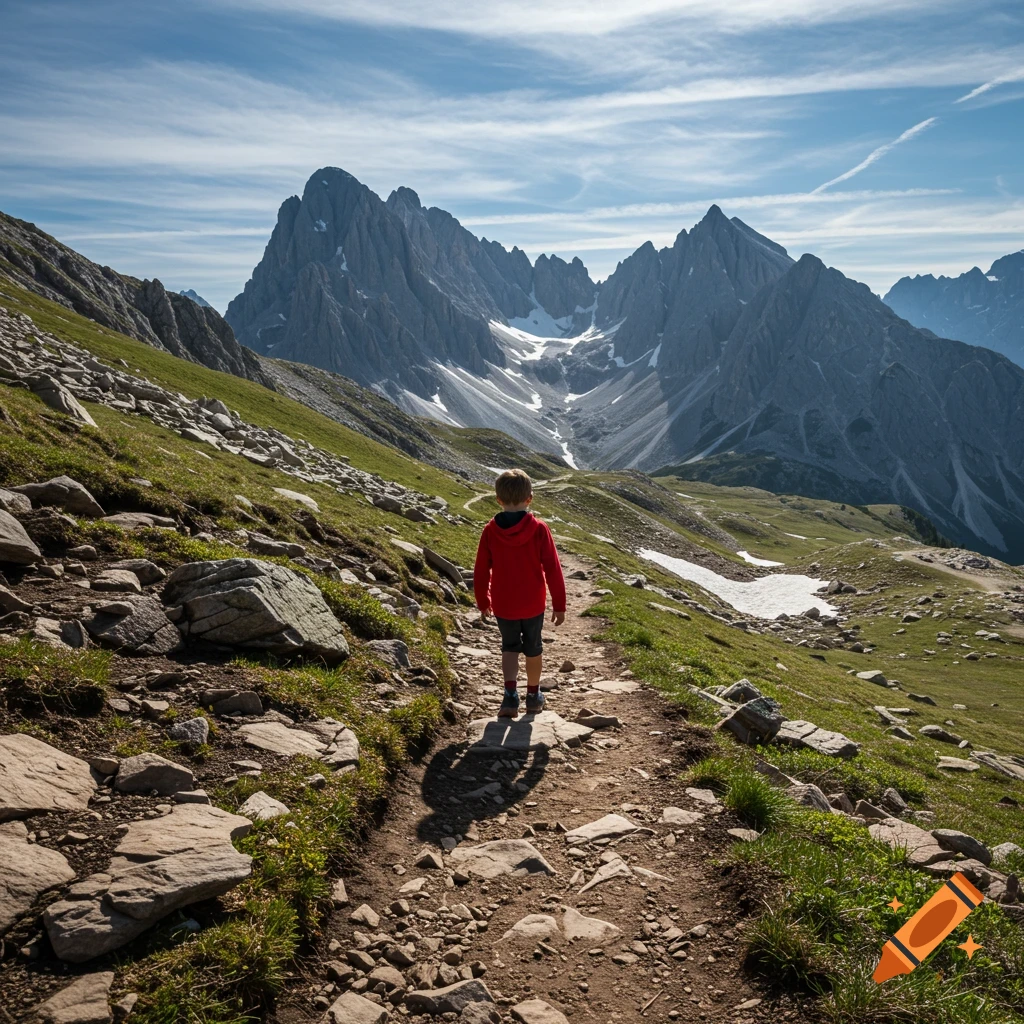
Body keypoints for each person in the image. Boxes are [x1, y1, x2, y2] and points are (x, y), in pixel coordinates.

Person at [473, 468, 566, 718]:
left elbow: (481, 571)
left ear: (498, 499)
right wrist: (559, 604)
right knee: (534, 648)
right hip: (533, 604)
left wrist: (483, 601)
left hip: (504, 604)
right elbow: (553, 569)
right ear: (530, 498)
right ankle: (534, 696)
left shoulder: (490, 531)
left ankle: (510, 697)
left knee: (510, 648)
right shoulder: (539, 529)